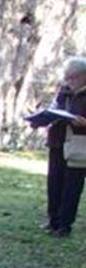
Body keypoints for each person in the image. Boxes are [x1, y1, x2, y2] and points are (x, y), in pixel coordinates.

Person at [44, 57, 86, 237]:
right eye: (67, 77)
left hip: (78, 146)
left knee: (71, 186)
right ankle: (53, 220)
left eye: (73, 77)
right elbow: (55, 108)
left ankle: (64, 225)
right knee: (54, 182)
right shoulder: (64, 91)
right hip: (57, 142)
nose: (69, 81)